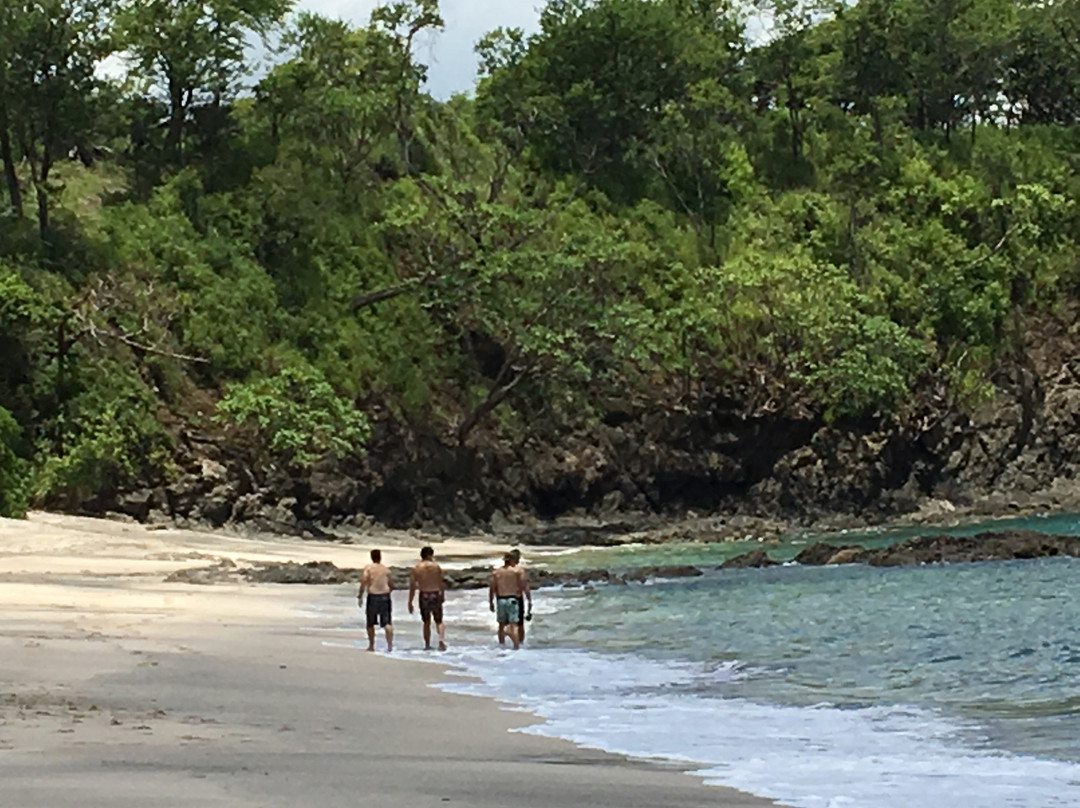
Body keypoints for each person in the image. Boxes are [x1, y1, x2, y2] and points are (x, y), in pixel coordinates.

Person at [408, 546, 447, 651]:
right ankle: (441, 640)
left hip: (424, 594)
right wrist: (442, 594)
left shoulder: (417, 568)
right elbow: (441, 583)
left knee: (426, 622)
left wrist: (410, 601)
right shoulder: (436, 567)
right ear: (431, 555)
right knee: (439, 620)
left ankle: (427, 644)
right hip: (435, 593)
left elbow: (412, 586)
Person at [489, 552, 528, 650]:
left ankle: (501, 646)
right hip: (513, 599)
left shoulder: (496, 572)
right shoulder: (517, 571)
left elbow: (492, 588)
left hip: (500, 599)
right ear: (512, 559)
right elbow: (524, 586)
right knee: (514, 625)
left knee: (501, 625)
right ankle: (516, 647)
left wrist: (491, 602)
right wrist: (529, 599)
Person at [359, 549, 393, 652]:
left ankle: (371, 646)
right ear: (380, 557)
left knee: (370, 622)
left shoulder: (368, 568)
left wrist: (360, 595)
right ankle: (390, 646)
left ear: (371, 557)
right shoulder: (386, 569)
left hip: (373, 596)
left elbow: (364, 581)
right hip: (385, 596)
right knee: (387, 622)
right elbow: (391, 584)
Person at [508, 548, 532, 644]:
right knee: (520, 624)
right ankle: (519, 644)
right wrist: (529, 599)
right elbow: (524, 585)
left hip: (503, 597)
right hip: (517, 598)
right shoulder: (519, 571)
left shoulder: (502, 570)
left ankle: (503, 644)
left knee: (505, 623)